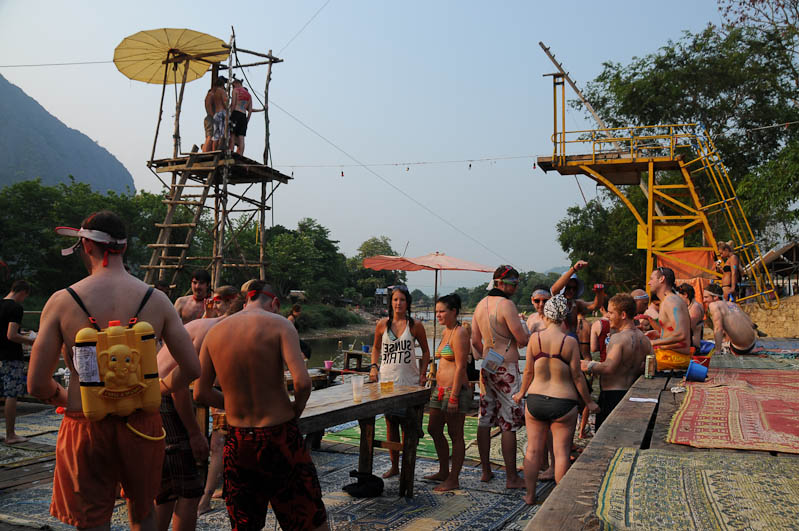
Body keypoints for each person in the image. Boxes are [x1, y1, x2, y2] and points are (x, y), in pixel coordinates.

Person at [29, 210, 200, 530]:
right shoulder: (158, 300)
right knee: (144, 513)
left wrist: (66, 398)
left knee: (92, 521)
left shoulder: (61, 302)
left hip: (85, 425)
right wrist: (161, 388)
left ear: (87, 246)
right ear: (123, 248)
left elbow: (37, 384)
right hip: (142, 425)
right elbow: (192, 368)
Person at [193, 280, 328, 531]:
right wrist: (294, 411)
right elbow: (303, 382)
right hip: (279, 436)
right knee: (309, 519)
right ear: (274, 303)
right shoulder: (281, 324)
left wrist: (230, 402)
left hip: (238, 441)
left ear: (246, 301)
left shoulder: (215, 332)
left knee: (245, 523)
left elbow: (200, 392)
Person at [155, 286, 242, 529]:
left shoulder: (203, 324)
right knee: (189, 489)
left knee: (168, 486)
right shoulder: (213, 332)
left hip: (154, 395)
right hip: (165, 398)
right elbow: (177, 387)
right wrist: (194, 434)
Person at [513, 295, 598, 504]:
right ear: (564, 316)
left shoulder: (535, 339)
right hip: (563, 401)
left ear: (547, 315)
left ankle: (530, 495)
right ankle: (558, 502)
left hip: (535, 400)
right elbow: (578, 376)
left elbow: (528, 371)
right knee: (560, 454)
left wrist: (521, 393)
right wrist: (589, 402)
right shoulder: (569, 341)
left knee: (532, 450)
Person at [471, 265, 529, 488]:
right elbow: (522, 340)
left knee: (485, 417)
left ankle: (486, 471)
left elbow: (475, 342)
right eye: (513, 283)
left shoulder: (479, 305)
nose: (515, 287)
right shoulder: (506, 305)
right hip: (506, 367)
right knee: (508, 422)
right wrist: (526, 330)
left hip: (488, 364)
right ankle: (512, 477)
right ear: (501, 283)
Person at [368, 284, 430, 478]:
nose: (398, 303)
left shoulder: (415, 325)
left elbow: (426, 351)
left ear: (407, 302)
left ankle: (406, 466)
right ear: (390, 302)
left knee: (407, 424)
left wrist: (422, 374)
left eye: (402, 300)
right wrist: (373, 366)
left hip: (409, 381)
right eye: (395, 299)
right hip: (387, 381)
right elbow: (376, 348)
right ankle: (394, 466)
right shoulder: (382, 325)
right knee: (390, 422)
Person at [581, 294, 651, 430]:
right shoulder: (644, 339)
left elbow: (608, 368)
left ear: (623, 314)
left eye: (611, 312)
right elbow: (651, 366)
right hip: (631, 393)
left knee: (605, 441)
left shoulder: (618, 338)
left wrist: (587, 366)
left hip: (612, 396)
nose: (608, 316)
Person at [425, 294, 471, 492]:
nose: (438, 315)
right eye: (436, 312)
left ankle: (454, 478)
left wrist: (453, 396)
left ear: (454, 311)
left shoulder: (460, 333)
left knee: (455, 434)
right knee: (434, 428)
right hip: (440, 389)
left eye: (442, 311)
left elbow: (461, 367)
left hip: (455, 390)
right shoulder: (446, 332)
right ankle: (444, 470)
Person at [1, 280, 35, 444]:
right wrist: (31, 341)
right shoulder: (15, 308)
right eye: (25, 296)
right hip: (10, 355)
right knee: (11, 394)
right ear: (23, 292)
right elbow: (12, 335)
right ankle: (10, 434)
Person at [647, 267, 692, 370]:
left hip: (674, 359)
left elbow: (681, 334)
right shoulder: (668, 300)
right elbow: (674, 331)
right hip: (670, 355)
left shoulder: (671, 301)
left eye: (651, 279)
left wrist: (653, 343)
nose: (649, 283)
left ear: (661, 279)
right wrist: (658, 333)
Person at [549, 260, 606, 338]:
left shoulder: (576, 304)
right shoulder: (555, 302)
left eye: (574, 288)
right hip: (558, 342)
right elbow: (554, 290)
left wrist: (599, 293)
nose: (571, 291)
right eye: (568, 288)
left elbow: (595, 306)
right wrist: (574, 269)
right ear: (563, 287)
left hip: (572, 342)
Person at [703, 284, 757, 355]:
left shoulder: (714, 305)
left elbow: (718, 329)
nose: (704, 300)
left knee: (707, 344)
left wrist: (718, 350)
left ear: (715, 297)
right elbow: (751, 324)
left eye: (706, 297)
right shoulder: (732, 304)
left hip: (741, 348)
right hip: (753, 342)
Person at [203, 76, 228, 152]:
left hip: (212, 117)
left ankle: (210, 151)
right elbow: (208, 106)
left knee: (213, 136)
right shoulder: (211, 94)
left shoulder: (214, 94)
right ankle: (204, 153)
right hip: (210, 117)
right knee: (210, 136)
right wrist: (213, 116)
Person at [677, 283, 704, 351]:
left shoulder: (695, 307)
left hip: (693, 346)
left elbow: (688, 328)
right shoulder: (692, 306)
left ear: (685, 295)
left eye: (679, 297)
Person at [229, 78, 252, 155]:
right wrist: (247, 121)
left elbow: (233, 104)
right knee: (241, 137)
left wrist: (230, 115)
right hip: (243, 116)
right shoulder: (249, 95)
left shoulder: (235, 90)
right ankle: (240, 155)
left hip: (236, 113)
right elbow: (250, 110)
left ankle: (231, 152)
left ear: (236, 83)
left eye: (233, 85)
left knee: (232, 135)